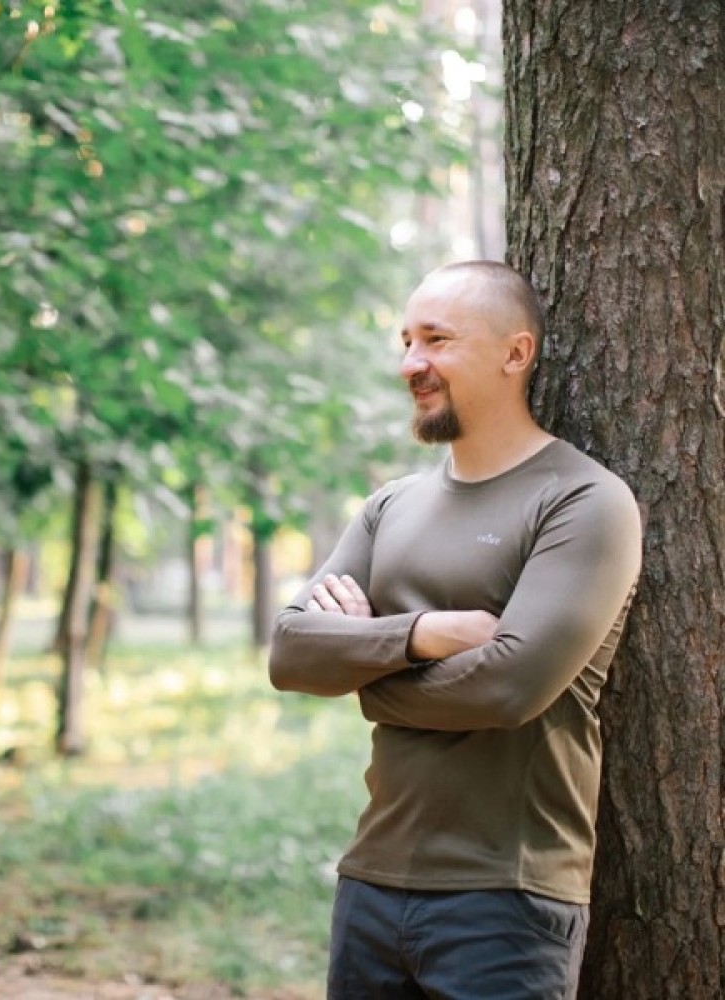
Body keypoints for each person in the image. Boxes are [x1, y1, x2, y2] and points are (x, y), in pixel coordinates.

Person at [268, 260, 643, 1000]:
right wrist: (422, 635)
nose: (412, 363)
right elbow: (289, 653)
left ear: (515, 353)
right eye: (407, 342)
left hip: (508, 898)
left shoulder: (584, 500)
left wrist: (362, 673)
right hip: (370, 881)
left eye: (436, 340)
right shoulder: (390, 507)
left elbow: (506, 690)